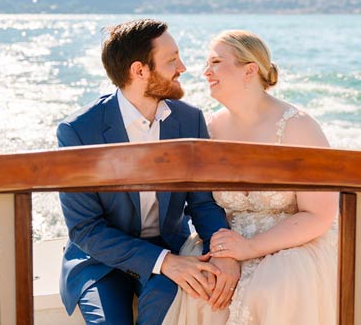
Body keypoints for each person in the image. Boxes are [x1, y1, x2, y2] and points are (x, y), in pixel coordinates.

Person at [56, 19, 240, 325]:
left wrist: (222, 253)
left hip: (172, 248)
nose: (182, 67)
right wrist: (164, 263)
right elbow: (85, 228)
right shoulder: (78, 131)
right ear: (139, 71)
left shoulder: (189, 121)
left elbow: (202, 203)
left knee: (169, 308)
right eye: (171, 60)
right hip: (99, 260)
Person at [165, 29, 338, 325]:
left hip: (293, 246)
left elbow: (320, 215)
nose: (205, 72)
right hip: (225, 243)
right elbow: (202, 204)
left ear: (250, 71)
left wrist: (250, 248)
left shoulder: (298, 127)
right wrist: (224, 251)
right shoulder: (209, 129)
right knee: (201, 290)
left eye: (216, 62)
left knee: (273, 290)